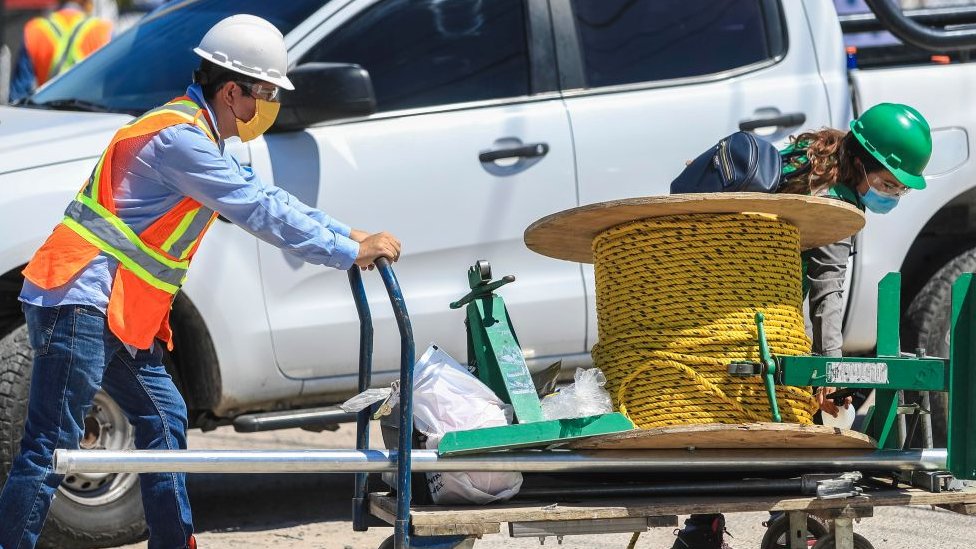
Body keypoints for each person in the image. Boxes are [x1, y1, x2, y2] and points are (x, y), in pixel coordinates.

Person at [0, 14, 401, 549]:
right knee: (50, 445)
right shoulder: (180, 142)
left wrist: (345, 233)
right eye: (264, 92)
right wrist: (348, 250)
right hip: (80, 297)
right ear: (232, 90)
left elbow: (268, 198)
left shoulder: (196, 135)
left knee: (164, 418)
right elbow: (259, 211)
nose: (268, 106)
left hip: (113, 307)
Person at [670, 103, 933, 548]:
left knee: (713, 419)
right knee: (778, 415)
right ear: (864, 164)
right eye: (889, 184)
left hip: (709, 302)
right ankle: (786, 511)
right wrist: (829, 373)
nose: (892, 194)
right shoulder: (835, 210)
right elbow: (826, 300)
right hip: (752, 317)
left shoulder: (808, 158)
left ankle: (702, 527)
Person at [9, 1, 113, 102]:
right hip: (94, 113)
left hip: (49, 113)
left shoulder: (34, 29)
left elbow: (18, 95)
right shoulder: (104, 30)